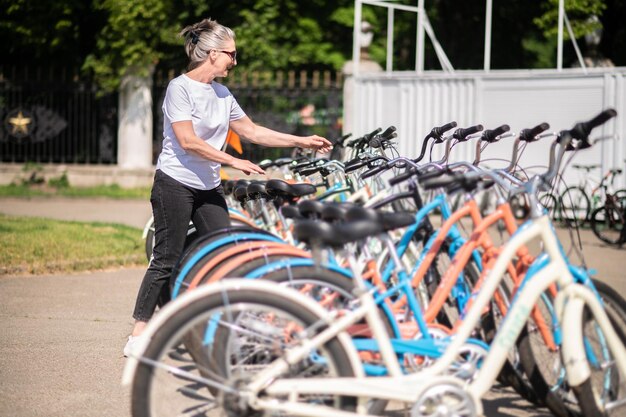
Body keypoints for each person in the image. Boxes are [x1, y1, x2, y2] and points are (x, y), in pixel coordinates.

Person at [124, 18, 332, 356]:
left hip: (207, 186)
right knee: (166, 258)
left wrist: (301, 140)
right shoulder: (180, 88)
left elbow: (253, 132)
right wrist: (232, 161)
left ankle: (217, 325)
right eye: (231, 55)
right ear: (211, 54)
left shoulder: (222, 94)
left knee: (226, 253)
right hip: (174, 183)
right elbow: (188, 141)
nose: (235, 61)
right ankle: (139, 335)